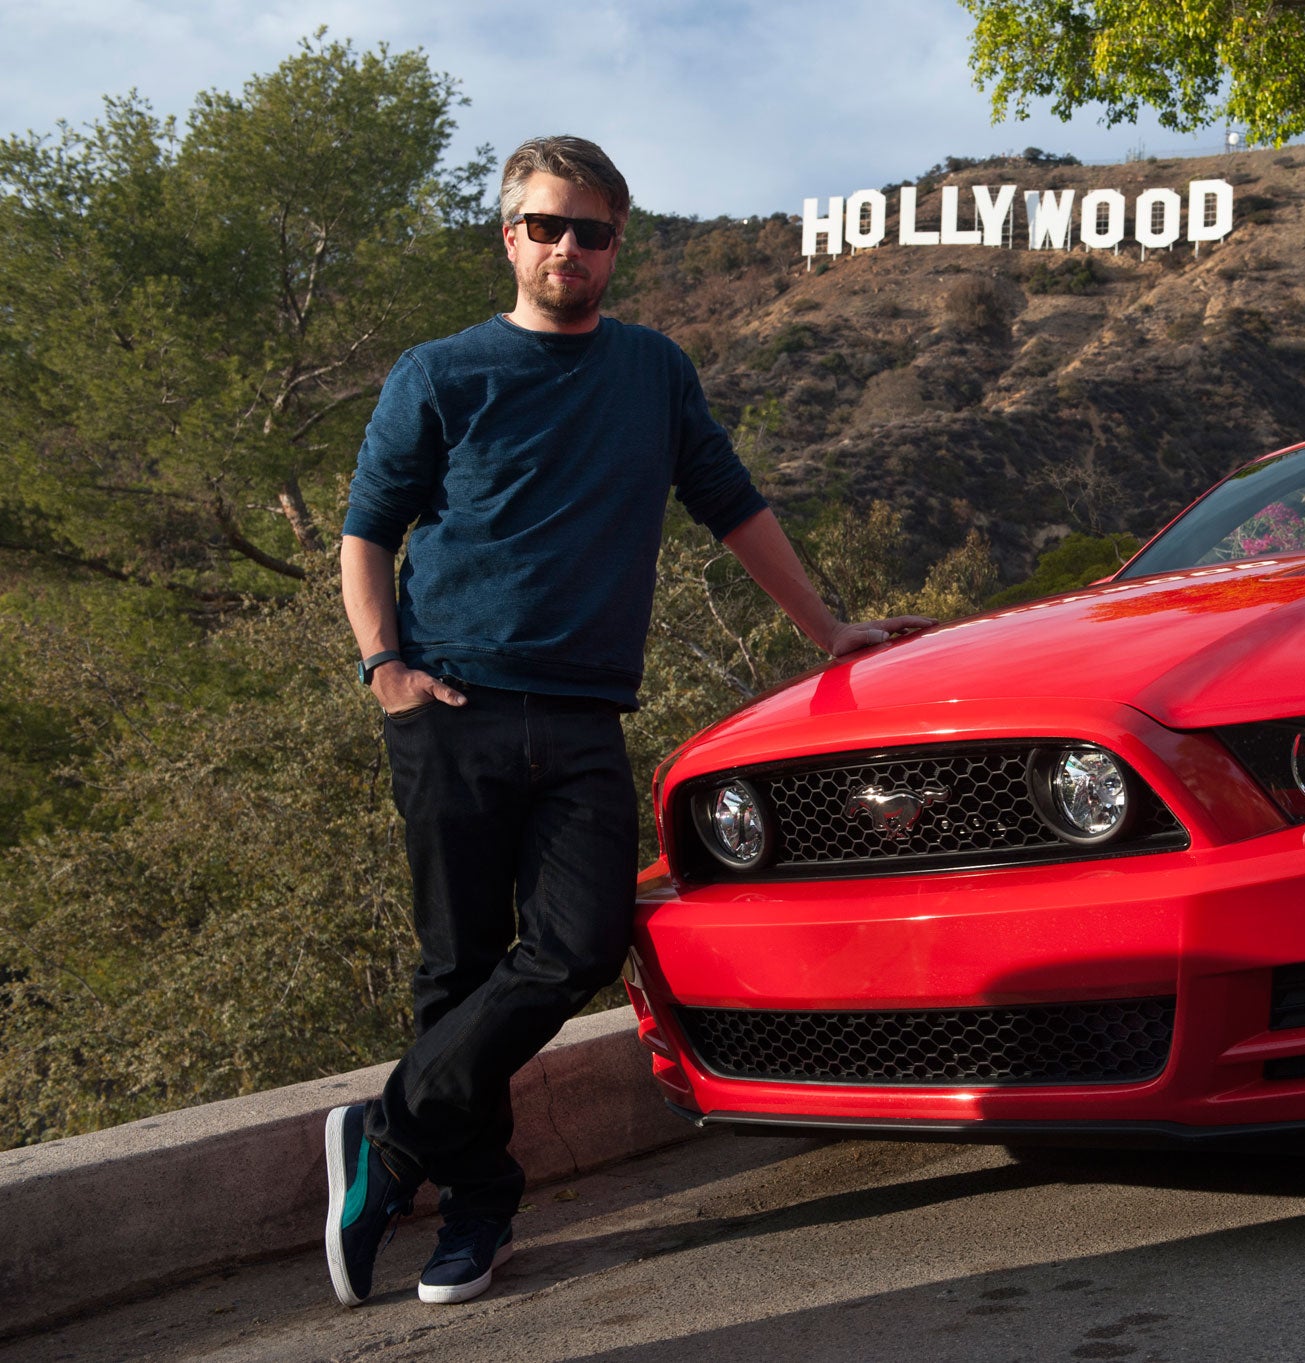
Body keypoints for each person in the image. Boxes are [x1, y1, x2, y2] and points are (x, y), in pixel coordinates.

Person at [325, 134, 928, 1309]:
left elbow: (730, 504)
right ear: (510, 238)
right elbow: (367, 531)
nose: (567, 249)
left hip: (585, 714)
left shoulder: (650, 370)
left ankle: (386, 1137)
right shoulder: (439, 373)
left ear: (616, 247)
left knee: (580, 943)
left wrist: (828, 632)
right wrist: (383, 667)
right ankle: (476, 1213)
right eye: (546, 226)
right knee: (454, 967)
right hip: (450, 706)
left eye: (590, 232)